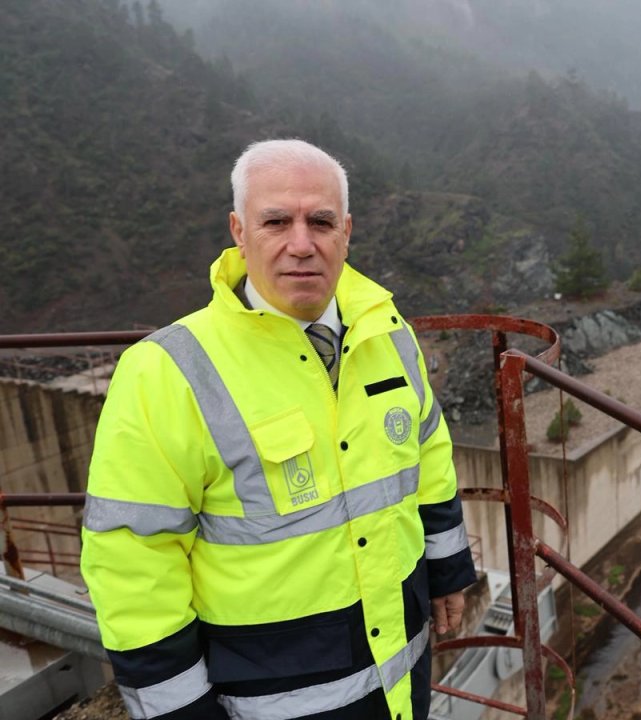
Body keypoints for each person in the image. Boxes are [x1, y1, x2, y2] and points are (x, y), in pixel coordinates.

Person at [81, 139, 476, 719]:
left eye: (320, 221)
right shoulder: (168, 372)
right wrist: (179, 711)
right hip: (269, 702)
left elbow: (429, 459)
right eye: (275, 222)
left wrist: (447, 572)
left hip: (400, 674)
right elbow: (132, 558)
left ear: (347, 231)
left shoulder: (388, 335)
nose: (301, 244)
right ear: (239, 231)